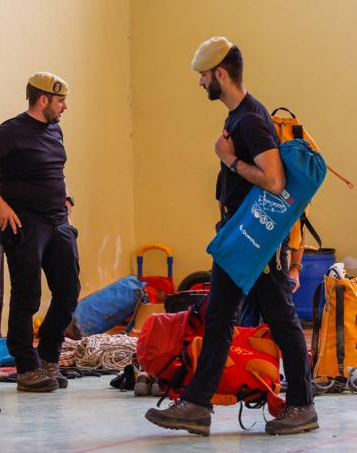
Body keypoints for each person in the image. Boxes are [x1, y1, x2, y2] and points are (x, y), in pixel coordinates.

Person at [145, 37, 317, 436]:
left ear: (220, 74)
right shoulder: (240, 116)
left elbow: (274, 181)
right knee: (220, 317)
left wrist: (230, 160)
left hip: (254, 242)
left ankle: (302, 405)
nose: (201, 82)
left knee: (281, 320)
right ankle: (198, 405)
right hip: (239, 238)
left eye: (204, 76)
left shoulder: (251, 121)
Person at [0, 72, 80, 392]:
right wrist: (0, 205)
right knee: (28, 296)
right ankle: (27, 369)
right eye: (60, 101)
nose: (64, 106)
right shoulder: (12, 131)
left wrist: (65, 197)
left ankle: (49, 358)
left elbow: (56, 168)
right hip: (24, 223)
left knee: (69, 291)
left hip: (58, 221)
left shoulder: (54, 129)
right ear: (43, 100)